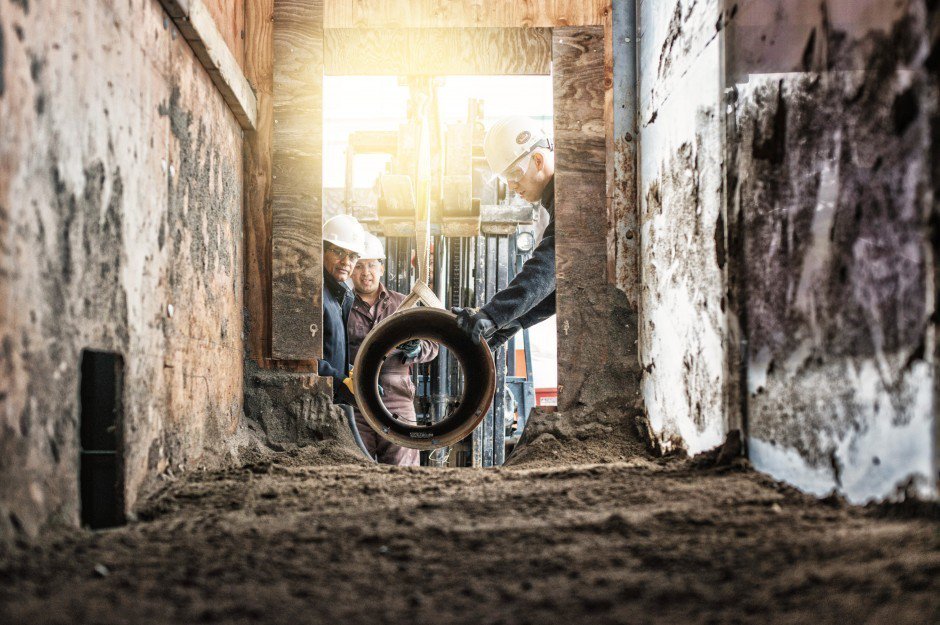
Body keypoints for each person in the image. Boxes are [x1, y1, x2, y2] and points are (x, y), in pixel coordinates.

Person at [451, 116, 556, 349]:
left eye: (514, 175)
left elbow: (552, 264)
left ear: (537, 160)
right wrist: (517, 320)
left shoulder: (571, 197)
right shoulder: (558, 198)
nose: (512, 186)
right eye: (505, 179)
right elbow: (567, 281)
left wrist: (493, 314)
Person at [347, 233, 439, 465]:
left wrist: (417, 349)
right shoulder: (342, 306)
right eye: (359, 266)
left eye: (371, 265)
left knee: (403, 467)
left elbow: (433, 345)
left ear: (381, 267)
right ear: (351, 270)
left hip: (397, 397)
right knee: (356, 465)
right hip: (354, 398)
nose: (365, 272)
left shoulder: (403, 304)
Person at [318, 214, 366, 406]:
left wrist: (351, 372)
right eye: (338, 252)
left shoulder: (341, 296)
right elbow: (303, 359)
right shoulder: (313, 295)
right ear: (321, 250)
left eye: (353, 256)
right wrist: (341, 381)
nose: (346, 261)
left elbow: (330, 351)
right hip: (316, 399)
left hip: (332, 401)